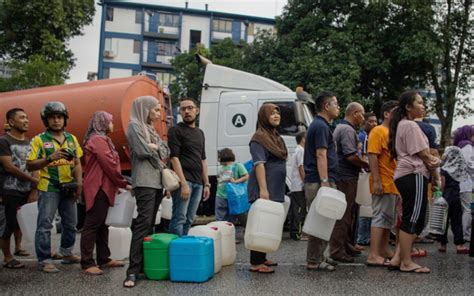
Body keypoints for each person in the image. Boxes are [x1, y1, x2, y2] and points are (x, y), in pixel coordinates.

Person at [27, 102, 83, 273]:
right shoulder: (39, 140)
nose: (56, 121)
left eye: (59, 117)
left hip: (69, 187)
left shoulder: (71, 139)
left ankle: (66, 253)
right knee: (45, 224)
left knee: (71, 223)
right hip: (48, 187)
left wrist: (79, 183)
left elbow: (77, 162)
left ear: (65, 119)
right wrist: (50, 158)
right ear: (46, 120)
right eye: (52, 117)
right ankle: (44, 259)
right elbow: (30, 165)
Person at [388, 90, 440, 273]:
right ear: (408, 107)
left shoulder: (403, 124)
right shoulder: (410, 125)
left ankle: (397, 258)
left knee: (415, 219)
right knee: (413, 218)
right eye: (419, 103)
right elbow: (425, 154)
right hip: (414, 173)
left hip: (408, 174)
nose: (423, 106)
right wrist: (439, 163)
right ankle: (406, 262)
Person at [124, 96, 169, 288]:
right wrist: (154, 148)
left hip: (157, 182)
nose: (159, 114)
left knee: (150, 223)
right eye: (156, 110)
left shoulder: (150, 129)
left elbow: (166, 151)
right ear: (145, 109)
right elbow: (142, 150)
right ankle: (132, 271)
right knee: (143, 224)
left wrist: (155, 146)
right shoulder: (135, 126)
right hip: (144, 181)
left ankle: (143, 266)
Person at [80, 111, 131, 275]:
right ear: (102, 123)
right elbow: (109, 165)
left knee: (103, 225)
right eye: (110, 121)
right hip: (98, 187)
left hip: (104, 186)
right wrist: (123, 182)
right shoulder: (98, 140)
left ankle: (104, 258)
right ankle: (87, 262)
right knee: (92, 225)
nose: (112, 124)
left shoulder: (103, 139)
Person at [247, 103, 288, 273]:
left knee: (267, 221)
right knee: (261, 222)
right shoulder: (259, 138)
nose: (276, 115)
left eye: (277, 112)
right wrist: (263, 189)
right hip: (265, 186)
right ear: (264, 116)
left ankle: (262, 257)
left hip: (275, 186)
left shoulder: (275, 137)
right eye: (272, 113)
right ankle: (256, 263)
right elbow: (259, 165)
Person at [304, 91, 340, 271]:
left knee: (324, 219)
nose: (338, 107)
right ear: (327, 106)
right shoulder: (320, 126)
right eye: (336, 104)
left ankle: (319, 256)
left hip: (320, 179)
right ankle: (314, 260)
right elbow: (321, 154)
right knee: (320, 219)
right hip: (319, 180)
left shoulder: (321, 125)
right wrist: (325, 181)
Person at [329, 102, 368, 263]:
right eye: (362, 114)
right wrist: (366, 164)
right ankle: (337, 250)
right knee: (343, 215)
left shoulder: (343, 128)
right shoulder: (346, 129)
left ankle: (345, 244)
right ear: (355, 113)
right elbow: (350, 155)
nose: (363, 118)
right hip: (345, 177)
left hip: (346, 176)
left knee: (349, 213)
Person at [0, 108, 38, 269]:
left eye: (27, 117)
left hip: (26, 189)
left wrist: (34, 188)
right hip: (8, 189)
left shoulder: (30, 143)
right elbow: (9, 167)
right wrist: (33, 181)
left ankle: (19, 247)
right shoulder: (4, 141)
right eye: (22, 117)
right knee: (7, 223)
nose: (26, 120)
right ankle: (8, 257)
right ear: (11, 122)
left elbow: (35, 165)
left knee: (19, 221)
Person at [168, 98, 210, 237]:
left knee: (190, 219)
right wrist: (183, 183)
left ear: (196, 111)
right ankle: (176, 252)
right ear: (180, 112)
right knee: (179, 218)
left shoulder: (200, 133)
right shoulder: (175, 130)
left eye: (190, 108)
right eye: (183, 109)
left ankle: (184, 248)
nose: (187, 111)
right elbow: (174, 158)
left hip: (198, 183)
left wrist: (207, 184)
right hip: (184, 182)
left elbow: (203, 159)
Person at [365, 100, 399, 267]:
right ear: (386, 114)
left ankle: (384, 249)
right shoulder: (378, 131)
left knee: (387, 219)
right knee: (380, 218)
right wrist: (377, 181)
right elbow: (372, 155)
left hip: (392, 183)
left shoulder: (390, 131)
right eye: (395, 111)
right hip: (383, 182)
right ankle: (373, 255)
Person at [438, 146, 470, 254]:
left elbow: (442, 185)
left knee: (444, 221)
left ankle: (443, 245)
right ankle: (459, 245)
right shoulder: (458, 168)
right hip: (456, 196)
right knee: (457, 220)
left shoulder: (444, 169)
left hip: (446, 196)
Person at [355, 112, 377, 250]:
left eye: (375, 121)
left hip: (365, 174)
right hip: (364, 174)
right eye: (370, 122)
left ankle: (364, 236)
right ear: (364, 123)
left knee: (366, 207)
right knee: (364, 207)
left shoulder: (369, 136)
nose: (374, 124)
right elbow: (363, 157)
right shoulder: (364, 136)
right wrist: (367, 168)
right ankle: (362, 237)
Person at [215, 148, 248, 222]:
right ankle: (222, 230)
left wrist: (236, 181)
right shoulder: (222, 168)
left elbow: (246, 176)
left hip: (233, 196)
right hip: (220, 195)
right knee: (220, 216)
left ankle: (228, 231)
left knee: (231, 217)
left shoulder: (237, 165)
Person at [453, 125, 474, 242]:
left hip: (459, 181)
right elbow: (469, 164)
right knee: (467, 209)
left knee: (461, 209)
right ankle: (465, 234)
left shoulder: (459, 145)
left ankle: (462, 233)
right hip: (465, 182)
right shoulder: (467, 146)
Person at [289, 131, 307, 241]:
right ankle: (297, 233)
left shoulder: (298, 150)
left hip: (295, 185)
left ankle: (295, 232)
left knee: (296, 208)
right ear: (303, 139)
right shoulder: (301, 150)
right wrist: (305, 181)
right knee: (300, 210)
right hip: (299, 185)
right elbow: (301, 167)